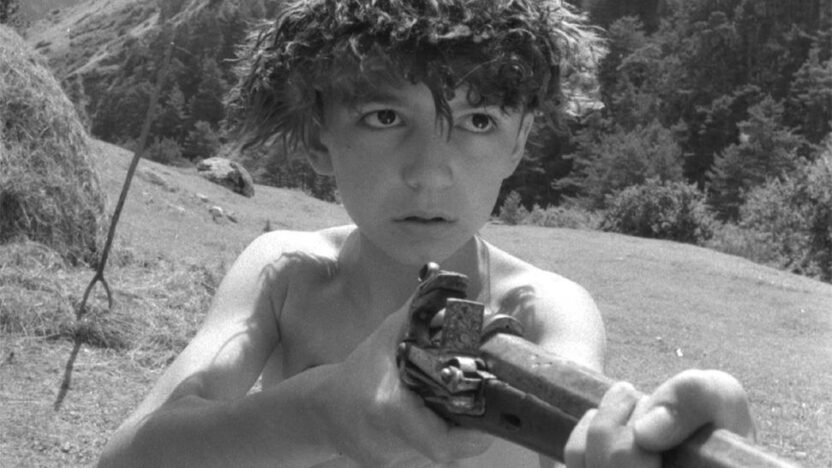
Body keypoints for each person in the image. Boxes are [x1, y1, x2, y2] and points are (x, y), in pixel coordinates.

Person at [98, 0, 756, 466]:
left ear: (519, 141)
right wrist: (319, 411)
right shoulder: (285, 275)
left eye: (477, 121)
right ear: (320, 136)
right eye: (385, 116)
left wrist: (644, 445)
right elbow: (127, 457)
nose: (430, 174)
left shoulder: (541, 310)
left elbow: (588, 421)